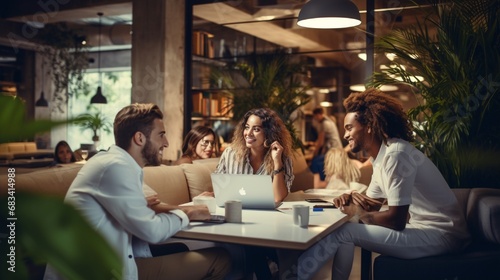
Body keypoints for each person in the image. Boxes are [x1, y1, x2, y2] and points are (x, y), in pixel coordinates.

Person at [295, 89, 470, 280]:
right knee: (344, 229)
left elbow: (396, 220)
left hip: (443, 235)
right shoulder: (381, 157)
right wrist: (351, 199)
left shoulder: (396, 155)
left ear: (369, 126)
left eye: (349, 128)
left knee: (343, 232)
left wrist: (358, 214)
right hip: (424, 228)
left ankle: (293, 278)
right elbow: (371, 204)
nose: (345, 135)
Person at [44, 103, 230, 280]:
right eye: (161, 135)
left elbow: (139, 214)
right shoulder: (115, 167)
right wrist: (188, 213)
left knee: (180, 248)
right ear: (139, 138)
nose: (166, 143)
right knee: (220, 259)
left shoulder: (117, 163)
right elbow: (152, 231)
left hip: (111, 260)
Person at [214, 107, 295, 279]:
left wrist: (276, 162)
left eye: (256, 129)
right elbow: (220, 187)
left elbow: (278, 197)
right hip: (236, 219)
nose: (248, 133)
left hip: (267, 223)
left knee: (252, 243)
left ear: (269, 133)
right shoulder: (230, 154)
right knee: (251, 244)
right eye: (247, 127)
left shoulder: (282, 157)